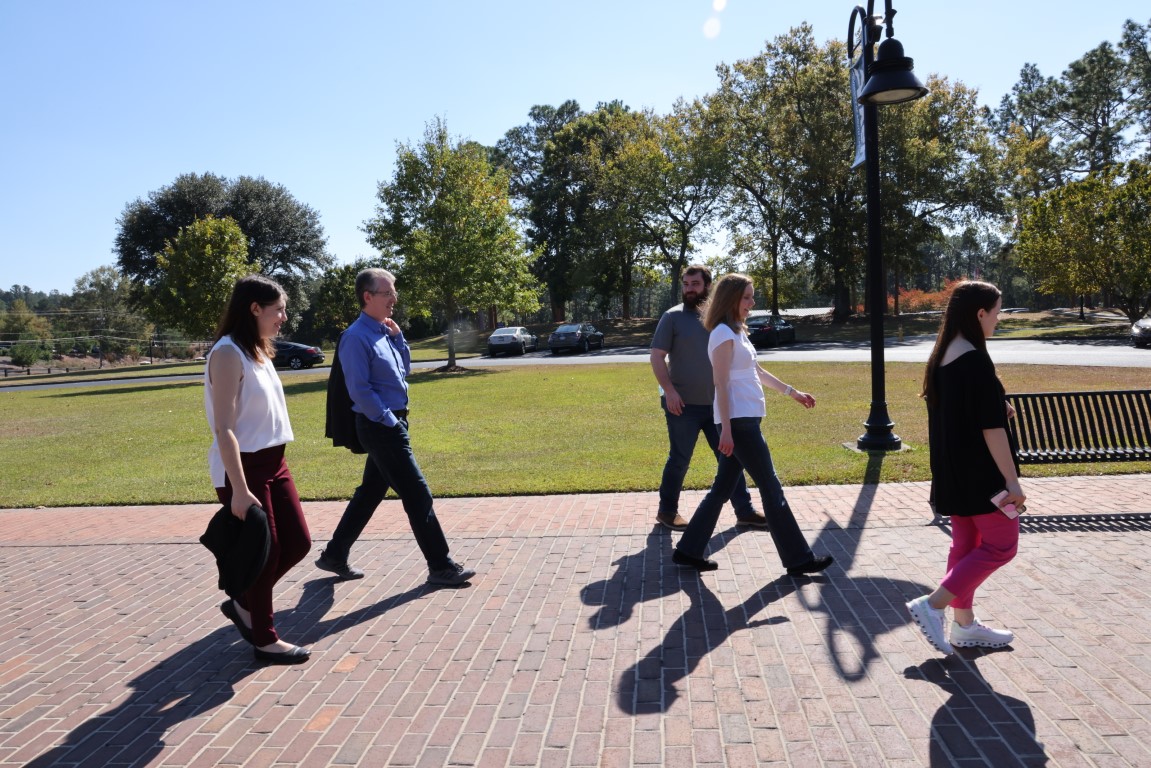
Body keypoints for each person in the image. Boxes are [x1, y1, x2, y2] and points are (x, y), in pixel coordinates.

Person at [315, 268, 476, 586]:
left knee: (370, 493)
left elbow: (403, 372)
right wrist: (389, 420)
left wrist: (399, 338)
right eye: (387, 292)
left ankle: (334, 554)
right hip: (380, 425)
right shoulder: (355, 337)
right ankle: (441, 565)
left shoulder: (382, 331)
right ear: (368, 297)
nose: (394, 298)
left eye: (394, 292)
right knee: (417, 493)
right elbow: (359, 388)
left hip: (393, 421)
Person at [672, 273, 833, 576]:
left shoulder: (737, 331)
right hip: (739, 424)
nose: (752, 302)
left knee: (721, 489)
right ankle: (799, 559)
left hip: (745, 420)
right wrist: (728, 430)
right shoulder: (721, 333)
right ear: (732, 299)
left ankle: (688, 550)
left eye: (751, 296)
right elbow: (720, 384)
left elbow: (756, 370)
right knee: (771, 488)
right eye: (747, 297)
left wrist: (792, 392)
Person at [906, 280, 1023, 655]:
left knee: (966, 545)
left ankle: (965, 625)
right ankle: (934, 604)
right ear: (980, 313)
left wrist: (995, 401)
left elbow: (968, 412)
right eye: (997, 312)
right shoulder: (973, 358)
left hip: (953, 471)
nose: (998, 320)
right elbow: (991, 429)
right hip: (981, 474)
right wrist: (1011, 480)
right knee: (1002, 545)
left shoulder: (942, 356)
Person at [205, 275, 311, 664]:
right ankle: (264, 639)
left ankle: (244, 603)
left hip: (274, 461)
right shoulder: (228, 353)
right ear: (254, 308)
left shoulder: (257, 350)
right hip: (245, 466)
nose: (284, 316)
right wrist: (238, 488)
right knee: (268, 552)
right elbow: (224, 428)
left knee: (298, 542)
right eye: (278, 309)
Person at [650, 265, 768, 531]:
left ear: (708, 286)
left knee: (731, 459)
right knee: (679, 459)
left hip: (720, 406)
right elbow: (657, 356)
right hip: (683, 406)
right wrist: (669, 391)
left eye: (695, 284)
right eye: (686, 284)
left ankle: (745, 511)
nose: (689, 289)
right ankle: (667, 511)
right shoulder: (672, 318)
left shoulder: (721, 319)